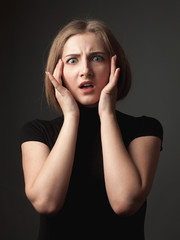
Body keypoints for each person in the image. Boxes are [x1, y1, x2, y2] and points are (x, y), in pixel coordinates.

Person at [20, 19, 163, 239]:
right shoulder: (37, 132)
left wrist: (106, 114)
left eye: (96, 58)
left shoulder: (144, 129)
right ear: (58, 71)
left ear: (115, 66)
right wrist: (71, 117)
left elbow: (124, 202)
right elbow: (47, 203)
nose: (85, 70)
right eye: (72, 60)